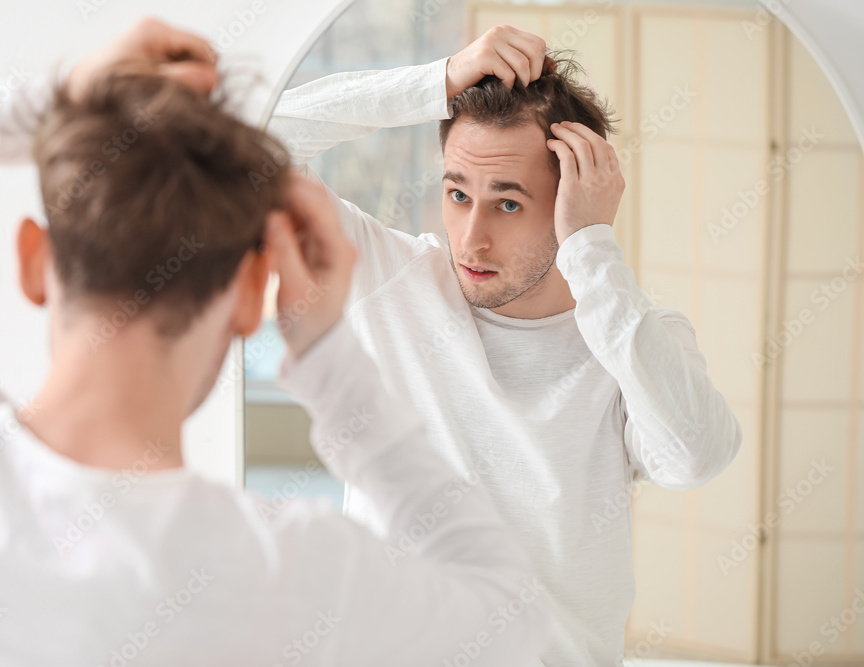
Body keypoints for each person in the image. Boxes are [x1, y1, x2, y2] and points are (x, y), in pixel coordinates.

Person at [0, 18, 550, 666]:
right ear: (256, 293)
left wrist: (60, 97)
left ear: (32, 260)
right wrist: (330, 361)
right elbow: (513, 625)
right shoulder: (286, 576)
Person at [267, 24, 743, 665]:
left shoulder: (628, 336)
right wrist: (433, 82)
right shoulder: (393, 282)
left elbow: (695, 458)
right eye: (458, 194)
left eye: (509, 205)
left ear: (573, 200)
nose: (470, 239)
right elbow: (246, 150)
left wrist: (591, 250)